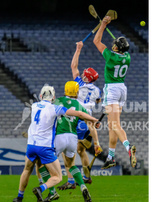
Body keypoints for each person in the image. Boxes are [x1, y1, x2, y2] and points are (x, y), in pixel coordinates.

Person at [13, 84, 100, 202]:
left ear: (40, 96)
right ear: (53, 97)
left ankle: (20, 197)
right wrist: (94, 120)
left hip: (36, 143)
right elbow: (80, 115)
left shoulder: (34, 106)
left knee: (30, 169)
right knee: (65, 170)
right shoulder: (59, 107)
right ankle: (79, 186)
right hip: (64, 140)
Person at [41, 81, 101, 202]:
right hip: (73, 138)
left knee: (42, 165)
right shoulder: (79, 106)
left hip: (59, 137)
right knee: (70, 165)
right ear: (77, 92)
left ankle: (51, 192)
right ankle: (83, 187)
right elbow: (90, 124)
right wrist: (96, 143)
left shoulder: (57, 101)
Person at [56, 41, 102, 191]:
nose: (82, 74)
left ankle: (71, 180)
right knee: (81, 150)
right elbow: (98, 100)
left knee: (68, 151)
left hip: (78, 116)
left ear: (87, 78)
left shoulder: (79, 83)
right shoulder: (97, 90)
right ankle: (87, 176)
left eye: (85, 74)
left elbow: (73, 66)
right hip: (89, 120)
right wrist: (96, 142)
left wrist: (78, 49)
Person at [93, 16, 137, 169]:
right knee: (111, 126)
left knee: (115, 125)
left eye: (114, 45)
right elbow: (120, 49)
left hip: (112, 90)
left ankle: (128, 147)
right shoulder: (127, 57)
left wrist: (103, 24)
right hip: (122, 90)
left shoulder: (111, 57)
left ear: (117, 48)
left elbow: (96, 41)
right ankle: (111, 157)